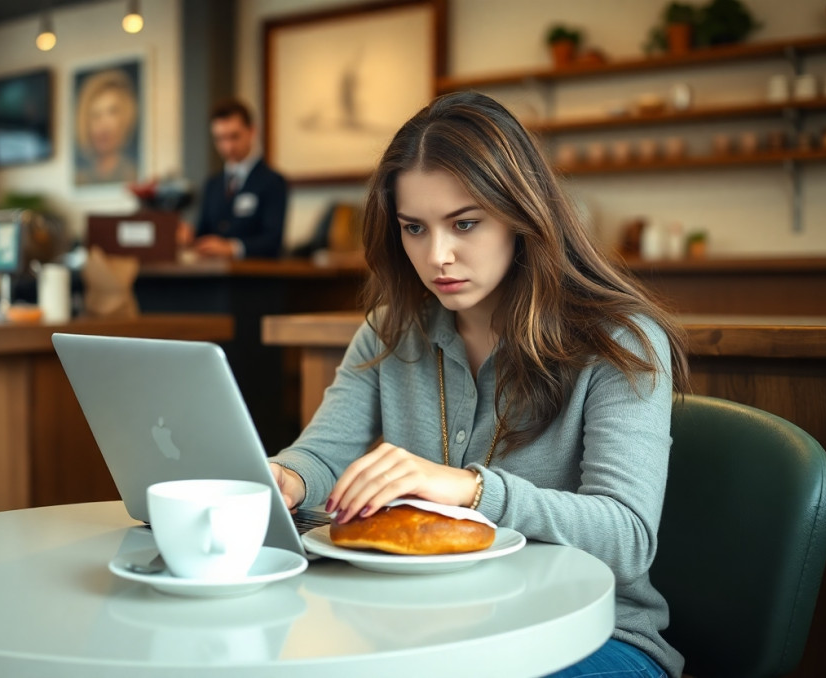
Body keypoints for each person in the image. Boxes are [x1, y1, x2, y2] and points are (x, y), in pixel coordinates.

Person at [268, 92, 691, 678]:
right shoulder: (390, 331)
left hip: (590, 636)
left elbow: (626, 538)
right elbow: (321, 455)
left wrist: (468, 491)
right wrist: (283, 477)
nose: (437, 255)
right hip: (421, 627)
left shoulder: (621, 340)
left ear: (522, 214)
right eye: (414, 228)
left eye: (465, 223)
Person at [181, 100, 289, 259]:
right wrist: (189, 238)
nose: (228, 146)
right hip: (214, 276)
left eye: (234, 136)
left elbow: (273, 241)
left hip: (253, 277)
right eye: (220, 139)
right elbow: (204, 233)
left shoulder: (272, 182)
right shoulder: (213, 184)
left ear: (252, 131)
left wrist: (232, 248)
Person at [75, 69, 139, 185]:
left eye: (112, 112)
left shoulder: (134, 174)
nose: (103, 126)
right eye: (96, 115)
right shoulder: (80, 178)